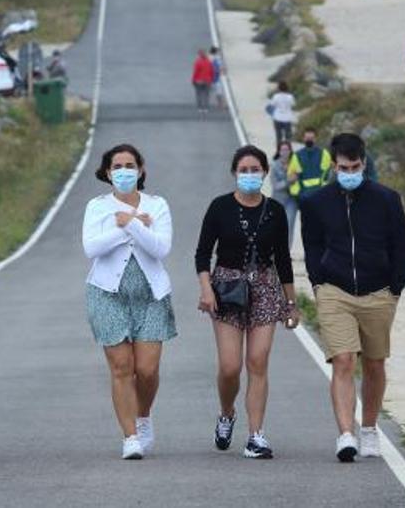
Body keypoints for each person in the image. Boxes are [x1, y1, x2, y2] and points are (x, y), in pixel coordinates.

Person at [299, 133, 405, 463]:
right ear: (333, 166)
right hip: (335, 291)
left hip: (379, 292)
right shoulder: (316, 202)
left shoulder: (387, 199)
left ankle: (370, 429)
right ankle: (346, 434)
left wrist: (395, 287)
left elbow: (401, 245)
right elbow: (313, 246)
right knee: (344, 361)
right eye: (344, 167)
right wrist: (319, 281)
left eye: (356, 166)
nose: (350, 171)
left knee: (374, 364)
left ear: (364, 163)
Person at [196, 145, 299, 459]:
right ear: (234, 173)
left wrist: (291, 303)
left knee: (258, 361)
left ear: (265, 173)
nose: (250, 175)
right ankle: (227, 413)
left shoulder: (275, 211)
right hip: (227, 287)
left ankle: (256, 436)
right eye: (244, 170)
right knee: (230, 367)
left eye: (256, 170)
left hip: (265, 287)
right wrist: (206, 289)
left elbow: (283, 258)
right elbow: (202, 253)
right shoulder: (219, 207)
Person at [82, 144, 176, 460]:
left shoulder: (158, 205)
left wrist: (130, 222)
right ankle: (130, 437)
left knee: (147, 370)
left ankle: (143, 415)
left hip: (150, 295)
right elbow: (91, 248)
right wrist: (130, 224)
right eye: (118, 166)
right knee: (122, 367)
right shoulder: (97, 207)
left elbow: (160, 248)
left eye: (130, 165)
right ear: (108, 173)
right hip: (107, 293)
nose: (124, 171)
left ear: (141, 169)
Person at [287, 127, 332, 201]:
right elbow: (291, 175)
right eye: (307, 138)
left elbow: (327, 173)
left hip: (321, 193)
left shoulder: (324, 153)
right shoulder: (297, 155)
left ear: (315, 139)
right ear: (303, 138)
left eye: (311, 138)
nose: (309, 140)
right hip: (303, 194)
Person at [270, 141, 298, 244]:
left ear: (290, 151)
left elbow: (299, 179)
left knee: (289, 224)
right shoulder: (274, 166)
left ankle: (287, 251)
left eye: (287, 150)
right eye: (283, 150)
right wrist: (288, 181)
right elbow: (275, 185)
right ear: (279, 151)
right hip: (278, 200)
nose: (285, 152)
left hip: (292, 200)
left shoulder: (295, 164)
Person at [266, 81, 296, 146]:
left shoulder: (276, 96)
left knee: (278, 136)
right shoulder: (290, 97)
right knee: (288, 136)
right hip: (287, 118)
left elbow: (272, 105)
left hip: (277, 117)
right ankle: (288, 150)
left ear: (279, 88)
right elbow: (293, 105)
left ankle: (279, 149)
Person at [192, 49, 215, 114]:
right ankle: (206, 108)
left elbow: (195, 72)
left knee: (199, 94)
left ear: (199, 55)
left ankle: (200, 108)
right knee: (206, 94)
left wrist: (193, 80)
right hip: (208, 80)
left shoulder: (198, 62)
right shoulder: (209, 62)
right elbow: (212, 71)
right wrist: (212, 80)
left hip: (199, 80)